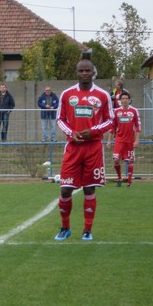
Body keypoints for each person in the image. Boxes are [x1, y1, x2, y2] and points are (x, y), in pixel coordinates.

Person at [54, 58, 114, 241]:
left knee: (89, 189)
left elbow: (111, 120)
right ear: (77, 73)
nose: (84, 73)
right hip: (73, 148)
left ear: (93, 73)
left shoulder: (103, 95)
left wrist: (93, 131)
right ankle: (65, 227)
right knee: (66, 189)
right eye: (81, 71)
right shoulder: (67, 94)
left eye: (88, 70)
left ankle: (87, 230)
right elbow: (59, 119)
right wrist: (71, 133)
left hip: (93, 148)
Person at [106, 92, 141, 187]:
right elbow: (112, 127)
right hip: (119, 140)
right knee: (116, 160)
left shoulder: (134, 111)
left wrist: (137, 140)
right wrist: (109, 140)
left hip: (130, 141)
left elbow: (138, 126)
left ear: (129, 100)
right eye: (123, 98)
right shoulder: (116, 111)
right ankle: (120, 178)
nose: (125, 100)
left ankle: (129, 181)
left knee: (130, 161)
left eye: (126, 98)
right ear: (120, 100)